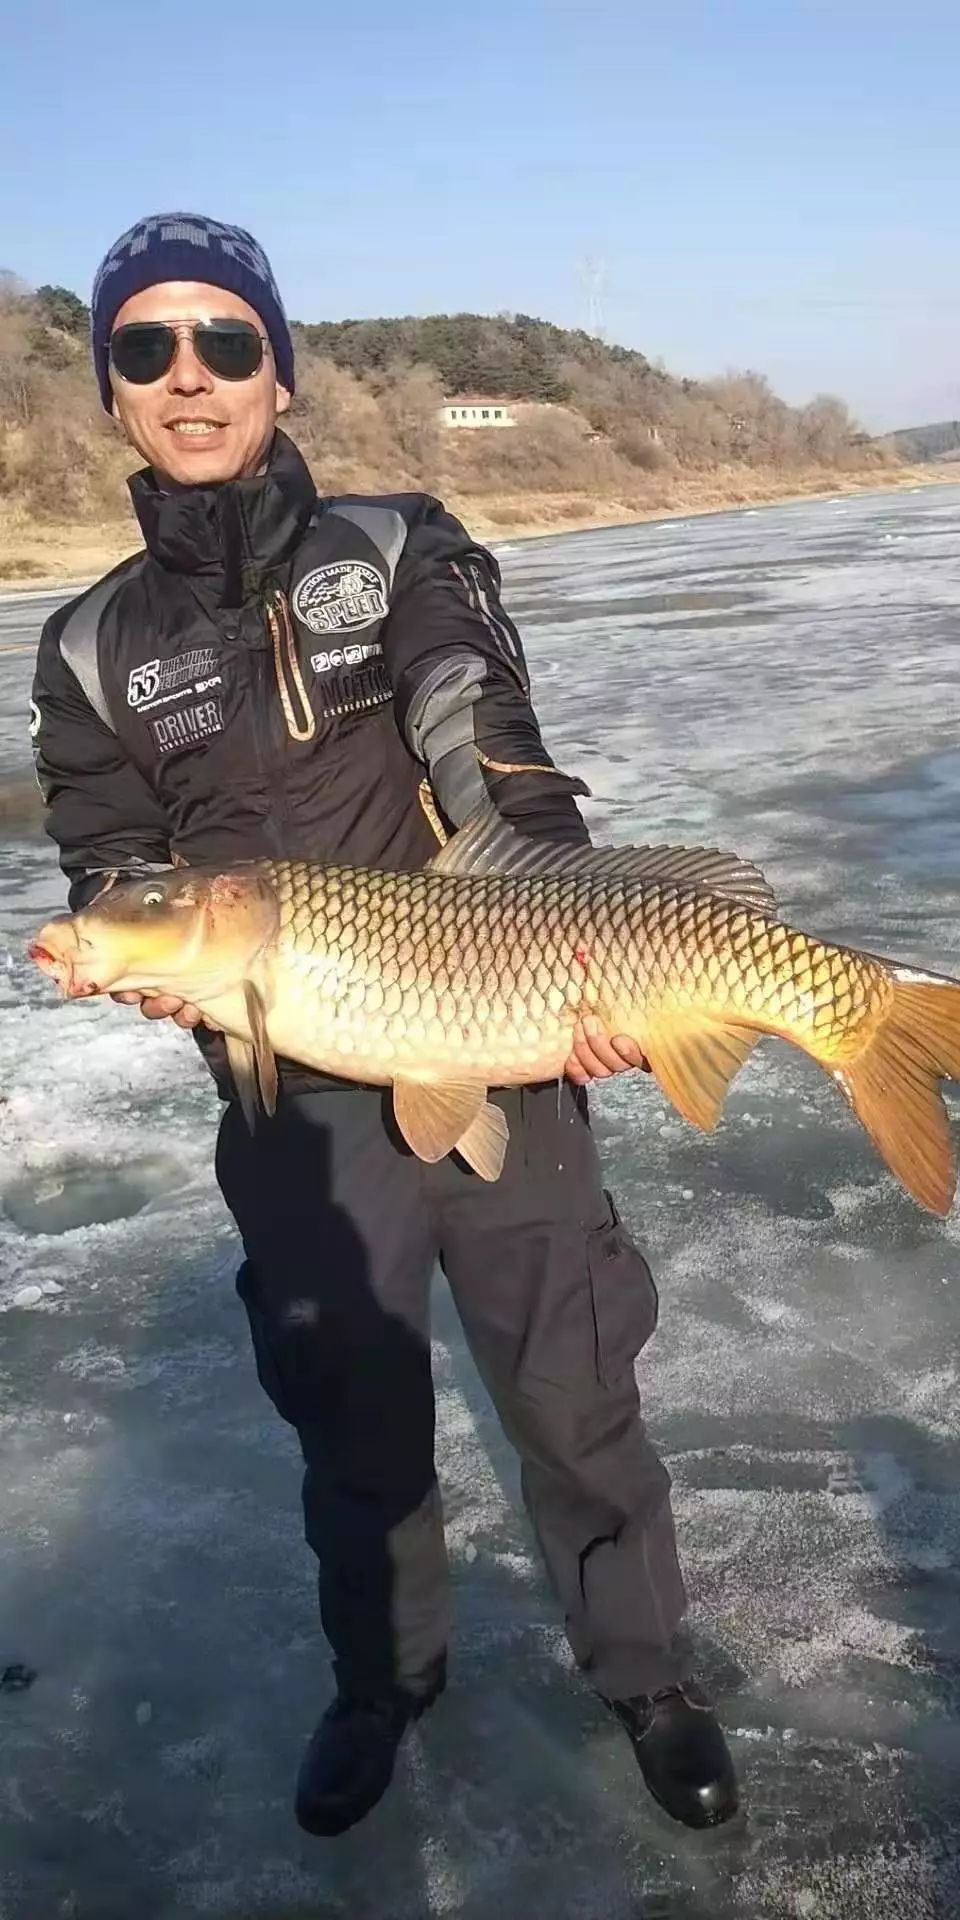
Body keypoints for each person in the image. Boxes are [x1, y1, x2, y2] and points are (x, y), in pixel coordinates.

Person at [31, 211, 739, 1838]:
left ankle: (644, 1673)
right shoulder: (84, 649)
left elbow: (479, 730)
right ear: (114, 390)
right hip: (291, 1079)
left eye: (226, 342)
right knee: (353, 1419)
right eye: (147, 348)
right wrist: (126, 942)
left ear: (279, 371)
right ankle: (386, 1681)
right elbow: (107, 860)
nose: (189, 376)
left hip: (491, 997)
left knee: (572, 1388)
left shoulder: (397, 540)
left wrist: (571, 929)